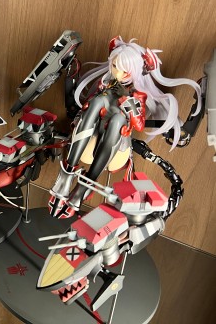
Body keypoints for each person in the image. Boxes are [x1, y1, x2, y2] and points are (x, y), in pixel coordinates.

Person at [50, 36, 202, 215]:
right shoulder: (107, 83)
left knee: (118, 120)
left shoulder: (136, 94)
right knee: (97, 101)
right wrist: (102, 95)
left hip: (116, 140)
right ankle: (67, 173)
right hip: (91, 133)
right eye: (115, 66)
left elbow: (138, 124)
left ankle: (85, 186)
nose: (118, 73)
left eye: (125, 71)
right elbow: (90, 106)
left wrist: (126, 101)